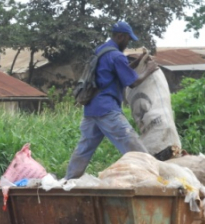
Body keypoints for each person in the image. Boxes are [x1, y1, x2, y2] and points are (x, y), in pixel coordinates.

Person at [65, 21, 159, 179]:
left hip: (91, 109)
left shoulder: (101, 50)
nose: (128, 43)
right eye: (128, 39)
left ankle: (68, 181)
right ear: (120, 36)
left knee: (84, 149)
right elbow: (132, 82)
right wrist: (148, 70)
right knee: (134, 146)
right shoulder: (116, 56)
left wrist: (138, 60)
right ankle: (155, 179)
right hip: (107, 109)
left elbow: (119, 71)